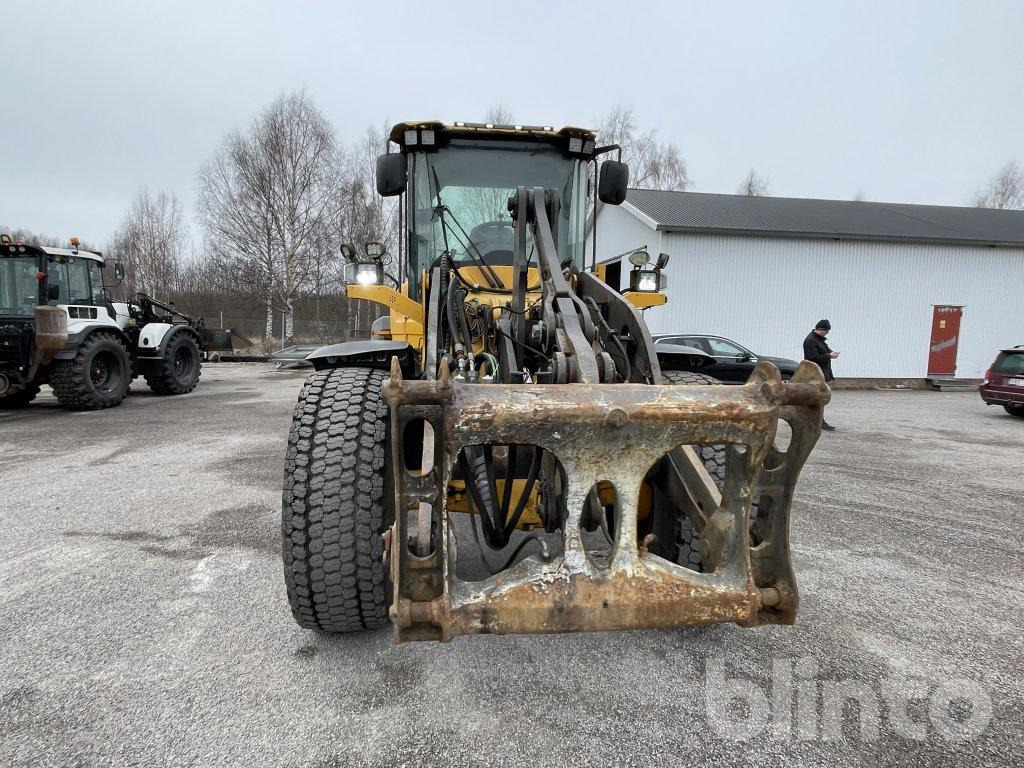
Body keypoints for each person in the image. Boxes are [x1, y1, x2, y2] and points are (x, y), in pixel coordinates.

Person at [803, 319, 839, 431]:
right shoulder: (811, 340)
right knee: (819, 398)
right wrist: (829, 355)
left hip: (821, 374)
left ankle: (816, 421)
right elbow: (812, 358)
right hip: (815, 375)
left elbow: (825, 351)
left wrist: (832, 354)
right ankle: (819, 423)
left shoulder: (818, 339)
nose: (827, 333)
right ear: (822, 329)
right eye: (827, 331)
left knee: (818, 399)